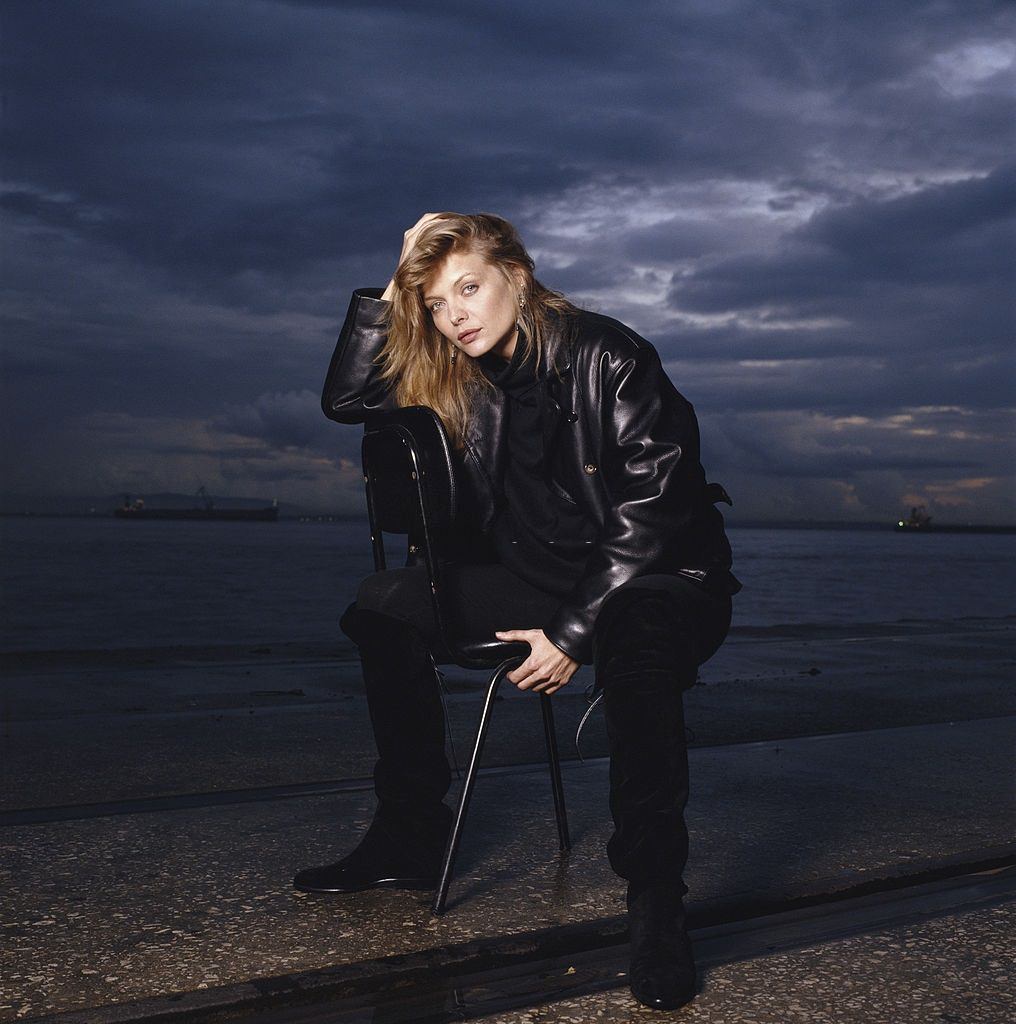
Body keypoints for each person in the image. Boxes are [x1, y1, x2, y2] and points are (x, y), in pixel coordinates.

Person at [296, 212, 739, 1011]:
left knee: (635, 642)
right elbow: (348, 398)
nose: (454, 314)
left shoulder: (607, 353)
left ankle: (655, 900)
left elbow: (657, 507)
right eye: (435, 302)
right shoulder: (455, 371)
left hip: (661, 577)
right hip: (535, 578)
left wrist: (574, 632)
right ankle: (409, 831)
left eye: (469, 288)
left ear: (518, 278)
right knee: (382, 609)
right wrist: (397, 278)